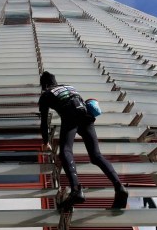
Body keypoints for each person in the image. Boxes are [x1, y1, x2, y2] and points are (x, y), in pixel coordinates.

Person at [38, 71, 128, 208]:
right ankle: (119, 187)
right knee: (96, 155)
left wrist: (46, 142)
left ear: (44, 85)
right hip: (85, 114)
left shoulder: (45, 94)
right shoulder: (69, 87)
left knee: (66, 151)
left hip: (70, 115)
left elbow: (44, 122)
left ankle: (76, 190)